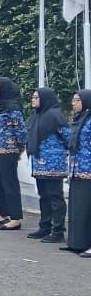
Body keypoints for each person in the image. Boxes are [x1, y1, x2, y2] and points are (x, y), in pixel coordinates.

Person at [28, 87, 68, 244]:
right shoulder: (37, 116)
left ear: (44, 99)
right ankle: (45, 226)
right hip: (39, 163)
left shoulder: (55, 116)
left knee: (55, 197)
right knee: (44, 196)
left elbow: (68, 136)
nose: (33, 100)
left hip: (53, 164)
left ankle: (58, 230)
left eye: (36, 97)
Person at [0, 77, 27, 231]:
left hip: (8, 150)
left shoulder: (12, 108)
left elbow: (20, 130)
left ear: (3, 88)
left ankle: (15, 218)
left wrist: (19, 147)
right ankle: (3, 214)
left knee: (10, 184)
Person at [64, 90, 91, 257]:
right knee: (77, 208)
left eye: (77, 100)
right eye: (73, 100)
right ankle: (76, 243)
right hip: (76, 170)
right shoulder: (78, 119)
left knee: (87, 208)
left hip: (88, 171)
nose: (73, 103)